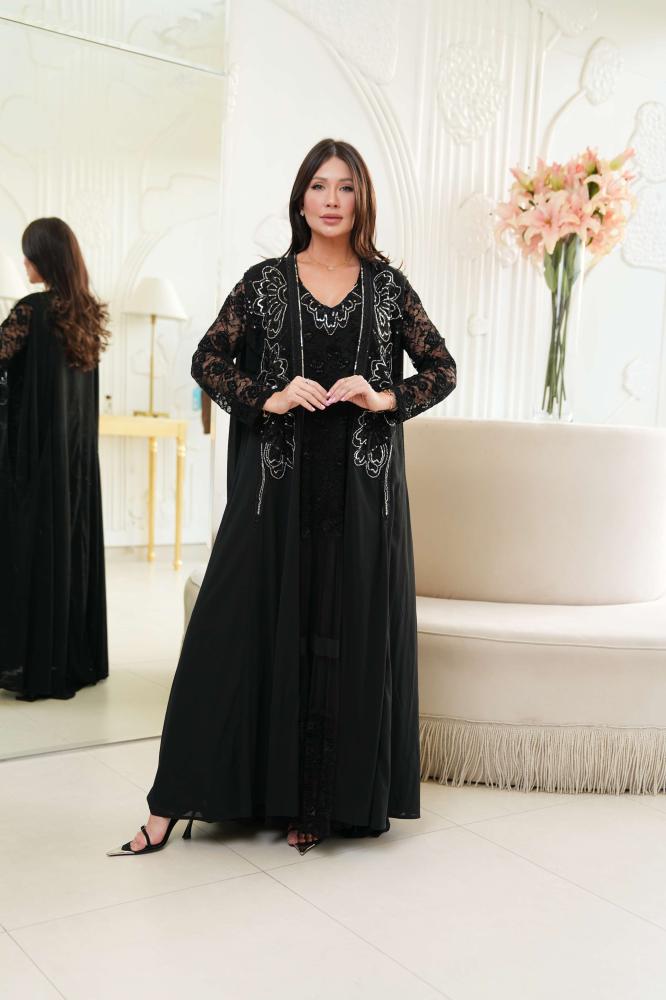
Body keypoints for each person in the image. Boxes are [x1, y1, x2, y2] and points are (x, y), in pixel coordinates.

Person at [108, 137, 456, 858]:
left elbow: (442, 369)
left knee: (340, 638)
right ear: (300, 199)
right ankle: (170, 802)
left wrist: (380, 394)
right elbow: (207, 358)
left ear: (362, 200)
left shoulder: (387, 289)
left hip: (359, 496)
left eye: (346, 187)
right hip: (276, 492)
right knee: (228, 631)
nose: (332, 200)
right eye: (320, 186)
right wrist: (268, 395)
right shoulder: (265, 283)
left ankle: (319, 805)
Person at [0, 218, 109, 700]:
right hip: (76, 463)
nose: (24, 262)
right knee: (68, 548)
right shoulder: (85, 313)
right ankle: (65, 656)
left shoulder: (32, 310)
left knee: (27, 550)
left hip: (35, 459)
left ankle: (30, 659)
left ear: (44, 258)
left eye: (29, 253)